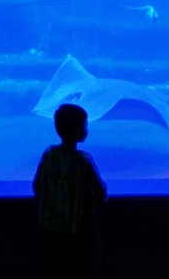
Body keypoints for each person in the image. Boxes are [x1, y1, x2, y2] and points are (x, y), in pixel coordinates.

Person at [33, 103, 108, 279]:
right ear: (79, 131)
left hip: (51, 227)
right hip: (79, 228)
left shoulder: (49, 154)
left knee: (56, 267)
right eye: (85, 125)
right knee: (82, 268)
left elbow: (36, 185)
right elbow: (101, 192)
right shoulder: (84, 159)